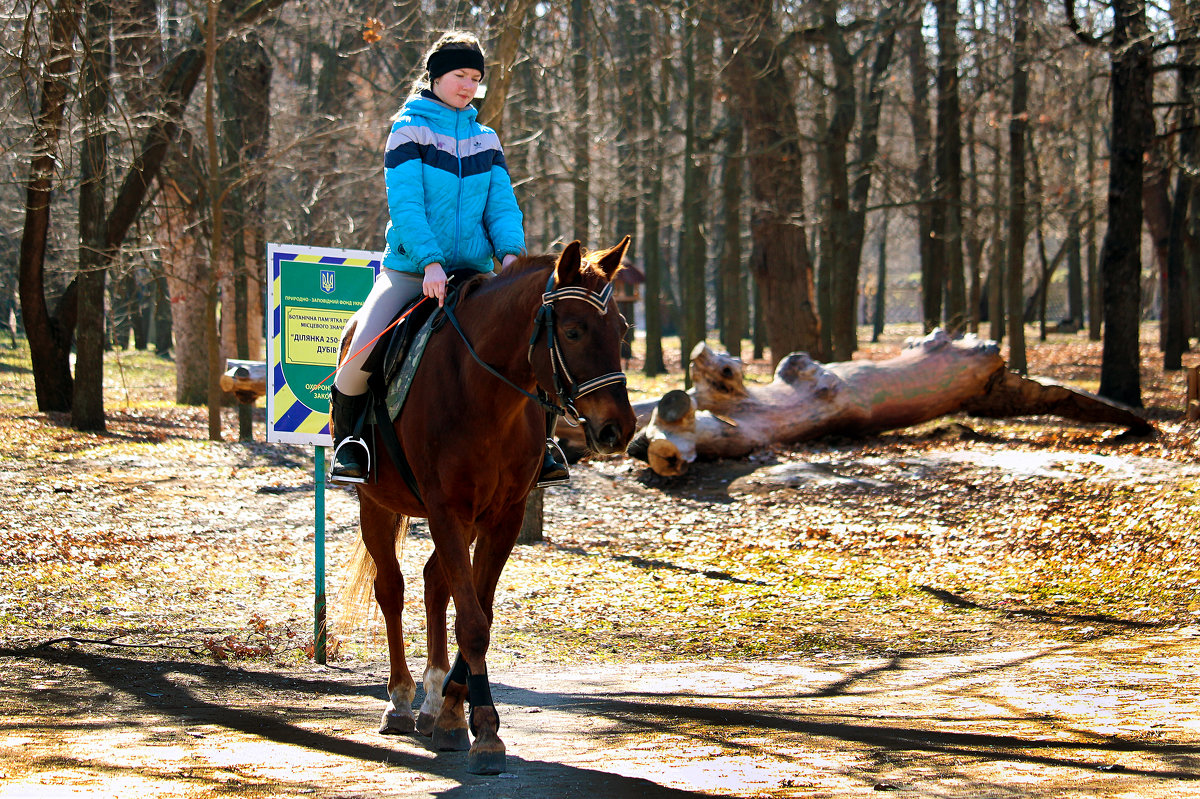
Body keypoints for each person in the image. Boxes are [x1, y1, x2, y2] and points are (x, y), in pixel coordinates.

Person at [330, 30, 569, 488]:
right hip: (411, 270)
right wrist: (430, 263)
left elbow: (501, 206)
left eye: (476, 78)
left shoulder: (487, 140)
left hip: (476, 276)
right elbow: (406, 204)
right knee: (358, 357)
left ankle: (544, 450)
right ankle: (351, 446)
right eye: (460, 75)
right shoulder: (407, 129)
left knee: (535, 346)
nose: (468, 85)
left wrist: (513, 259)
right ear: (436, 76)